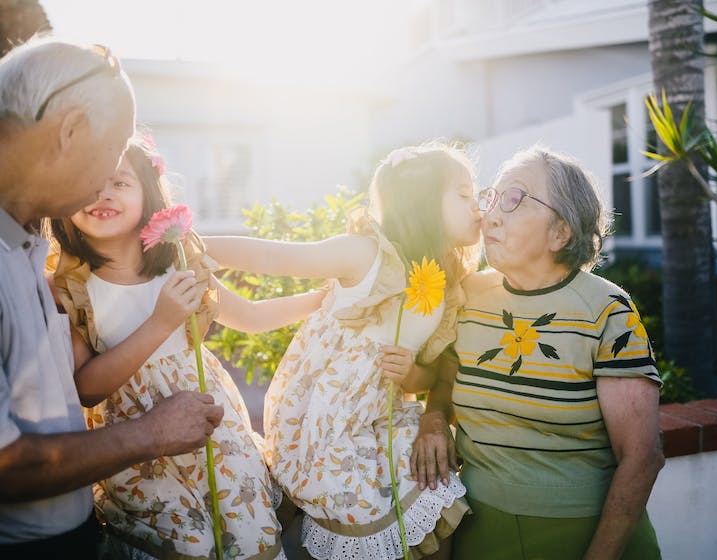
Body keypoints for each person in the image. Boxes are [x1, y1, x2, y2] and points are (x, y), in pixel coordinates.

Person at [47, 135, 327, 559]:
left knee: (246, 536)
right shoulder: (69, 287)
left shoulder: (179, 261)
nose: (102, 193)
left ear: (149, 194)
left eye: (120, 182)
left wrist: (323, 301)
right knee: (183, 545)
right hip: (141, 450)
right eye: (89, 182)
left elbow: (249, 316)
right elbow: (87, 387)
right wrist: (161, 321)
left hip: (215, 430)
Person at [203, 143, 483, 560]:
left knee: (433, 500)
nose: (477, 205)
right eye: (463, 194)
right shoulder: (368, 254)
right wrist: (196, 244)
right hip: (330, 426)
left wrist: (411, 374)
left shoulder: (446, 279)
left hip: (382, 416)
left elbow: (430, 374)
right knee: (368, 525)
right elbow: (275, 256)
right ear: (424, 203)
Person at [0, 38, 223, 558]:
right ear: (70, 131)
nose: (109, 181)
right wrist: (151, 433)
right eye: (112, 150)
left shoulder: (27, 241)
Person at [410, 145, 664, 560]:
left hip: (587, 535)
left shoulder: (607, 311)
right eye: (493, 198)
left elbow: (642, 456)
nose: (490, 214)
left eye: (514, 199)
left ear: (560, 232)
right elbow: (445, 376)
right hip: (478, 530)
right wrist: (435, 418)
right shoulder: (469, 295)